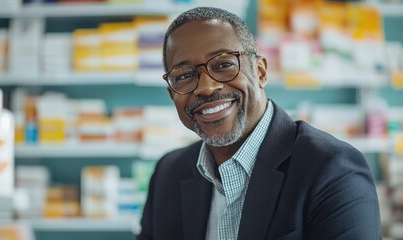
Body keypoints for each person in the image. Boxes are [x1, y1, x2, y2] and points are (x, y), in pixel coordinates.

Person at [137, 6, 381, 240]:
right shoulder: (169, 173)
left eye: (223, 65)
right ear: (173, 95)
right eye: (185, 76)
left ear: (261, 71)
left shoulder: (333, 170)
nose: (206, 87)